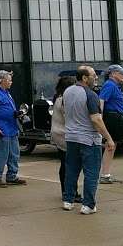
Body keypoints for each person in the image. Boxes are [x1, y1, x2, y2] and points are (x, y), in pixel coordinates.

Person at [62, 66, 116, 214]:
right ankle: (88, 205)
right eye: (93, 75)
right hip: (89, 139)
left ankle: (68, 200)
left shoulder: (67, 92)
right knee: (91, 173)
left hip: (71, 138)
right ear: (85, 78)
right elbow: (96, 119)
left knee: (71, 171)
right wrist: (109, 138)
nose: (96, 78)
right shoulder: (90, 95)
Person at [99, 65, 123, 185]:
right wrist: (100, 117)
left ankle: (105, 175)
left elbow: (115, 102)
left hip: (115, 116)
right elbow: (101, 100)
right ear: (113, 74)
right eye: (121, 73)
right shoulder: (110, 85)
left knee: (111, 145)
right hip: (113, 117)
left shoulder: (113, 86)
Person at [0, 70, 25, 187]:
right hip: (2, 128)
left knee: (14, 153)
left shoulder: (7, 93)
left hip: (12, 128)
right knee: (2, 154)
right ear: (2, 81)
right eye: (9, 80)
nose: (11, 82)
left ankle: (12, 176)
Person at [49, 75, 81, 203]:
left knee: (64, 164)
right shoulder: (65, 100)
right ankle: (71, 192)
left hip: (57, 133)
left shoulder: (57, 97)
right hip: (65, 134)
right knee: (71, 165)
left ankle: (66, 191)